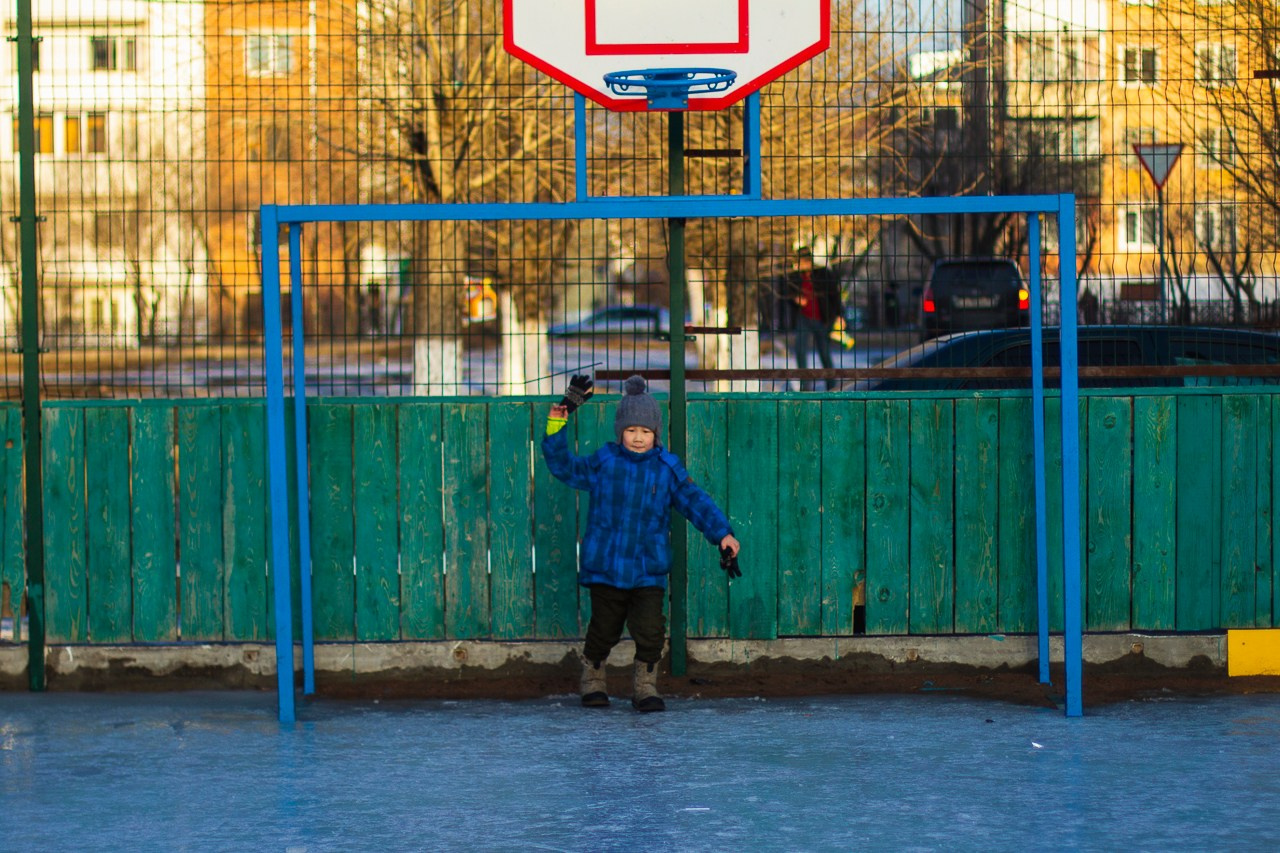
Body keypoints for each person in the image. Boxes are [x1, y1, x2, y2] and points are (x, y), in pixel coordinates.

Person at [542, 374, 741, 712]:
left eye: (645, 432)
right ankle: (593, 678)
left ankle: (645, 687)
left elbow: (694, 501)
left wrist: (722, 533)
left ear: (655, 434)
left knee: (650, 631)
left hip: (648, 568)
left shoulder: (666, 468)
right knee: (603, 630)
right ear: (620, 432)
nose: (638, 438)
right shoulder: (604, 462)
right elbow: (563, 467)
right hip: (607, 566)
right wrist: (557, 422)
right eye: (631, 431)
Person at [785, 247, 842, 390]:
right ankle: (806, 386)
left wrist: (840, 315)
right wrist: (796, 299)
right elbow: (788, 294)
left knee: (824, 352)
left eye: (800, 262)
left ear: (807, 261)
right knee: (800, 350)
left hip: (823, 319)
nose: (797, 265)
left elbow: (835, 295)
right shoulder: (795, 277)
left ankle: (832, 385)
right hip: (804, 318)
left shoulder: (823, 273)